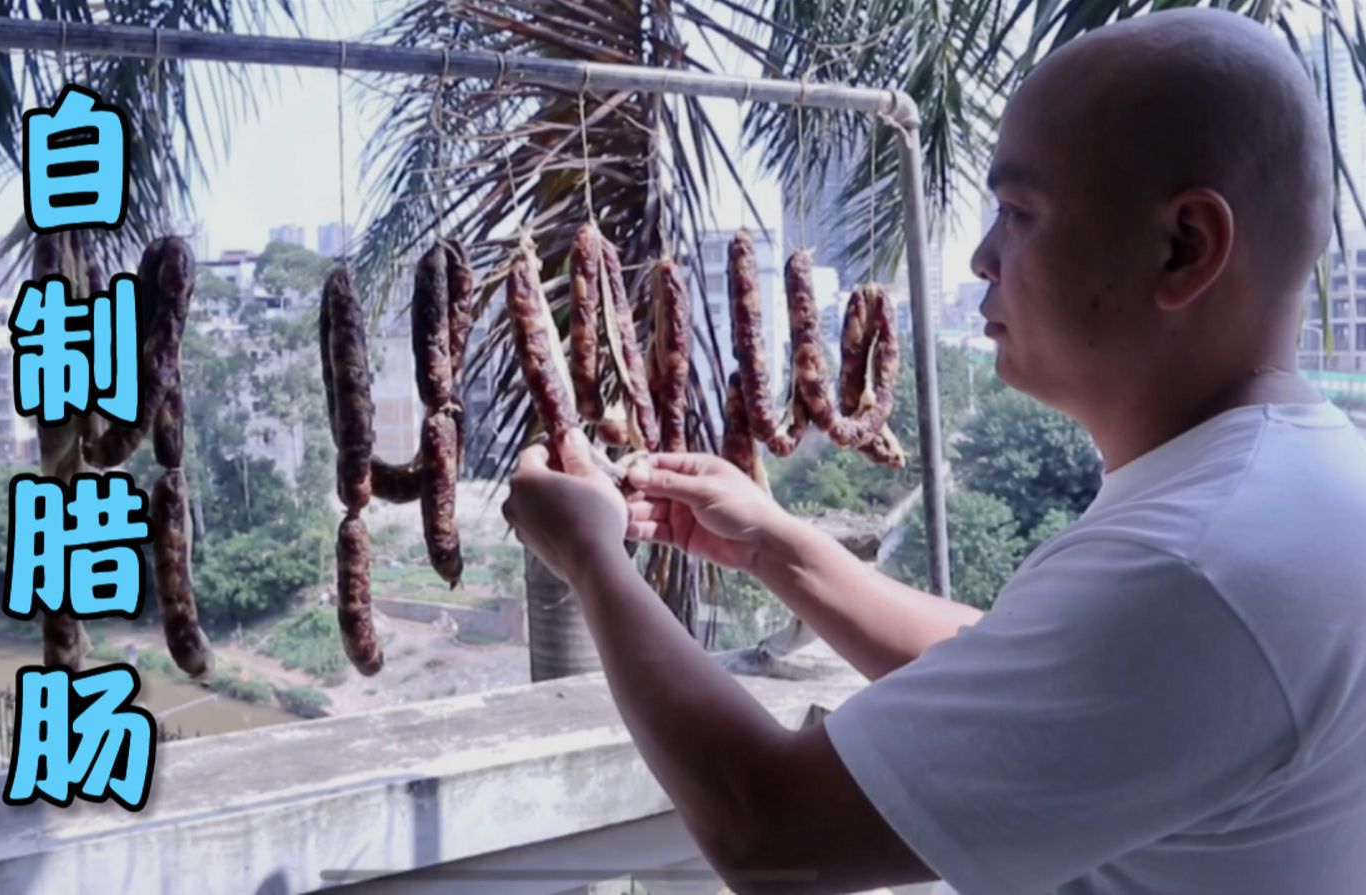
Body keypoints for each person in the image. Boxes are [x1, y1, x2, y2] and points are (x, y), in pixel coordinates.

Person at [501, 8, 1366, 894]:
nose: (984, 257)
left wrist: (592, 557)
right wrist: (774, 545)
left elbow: (771, 830)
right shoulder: (1294, 485)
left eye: (1020, 212)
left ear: (1184, 247)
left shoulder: (1194, 564)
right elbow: (1036, 673)